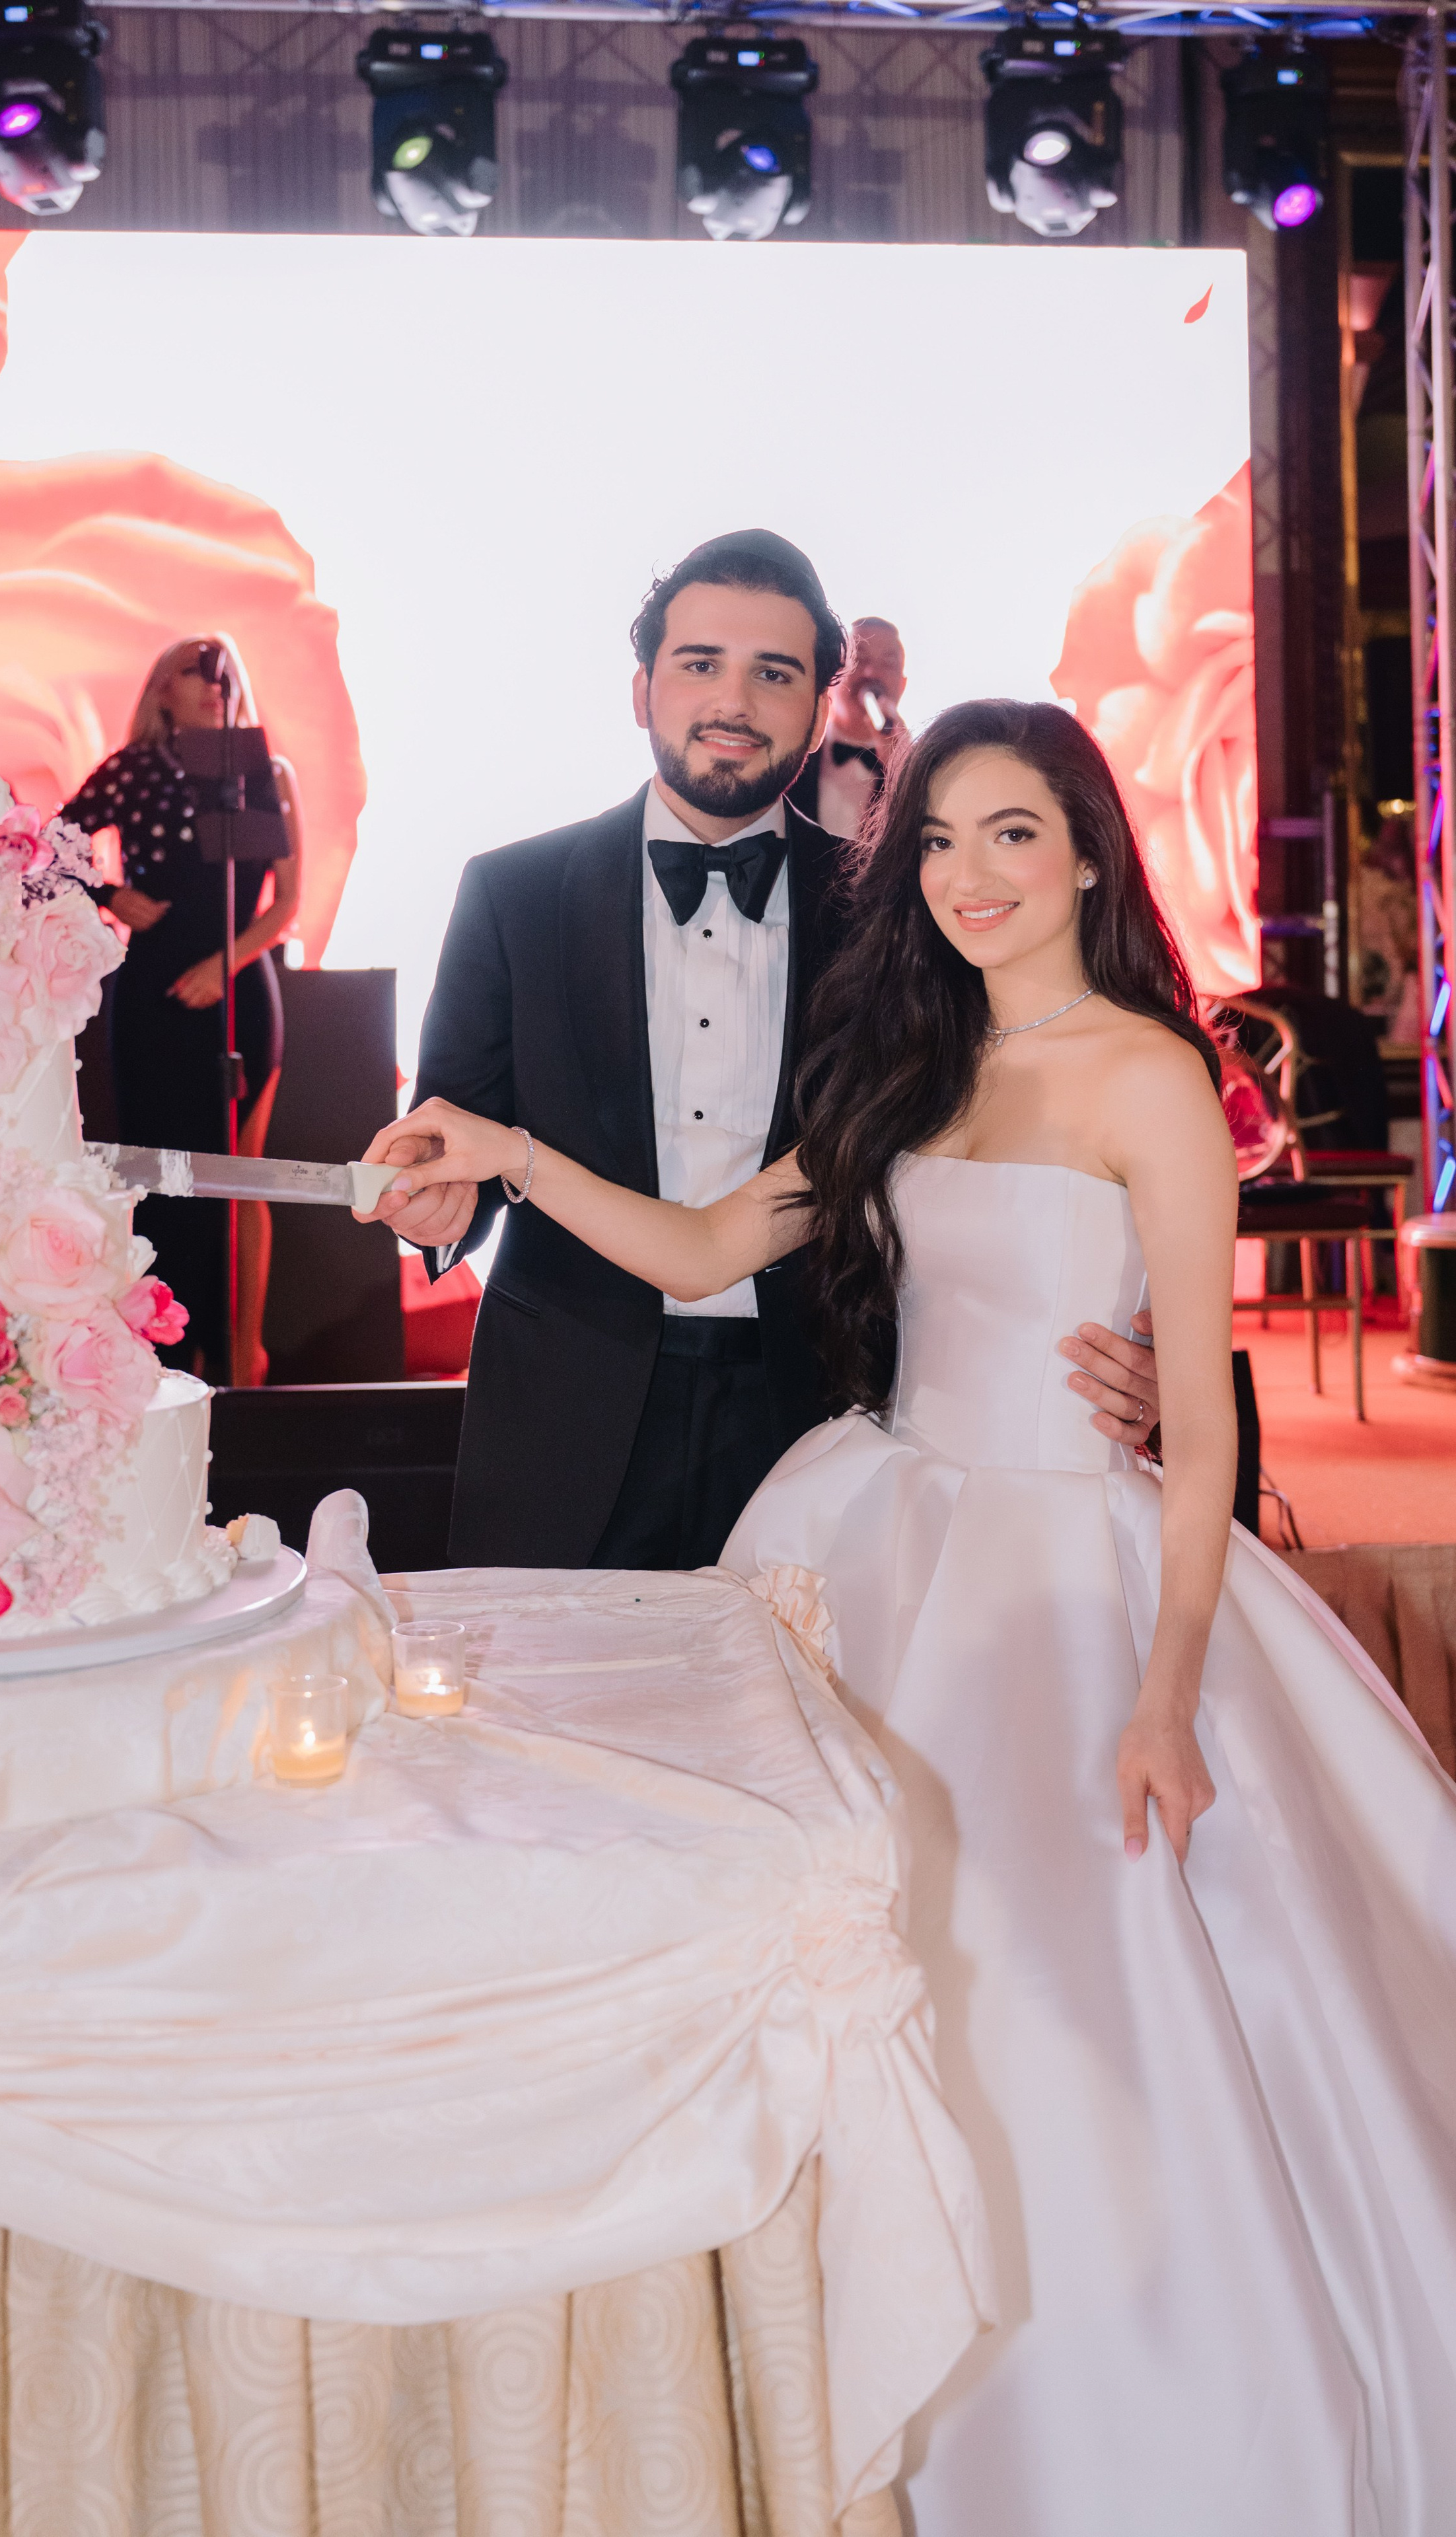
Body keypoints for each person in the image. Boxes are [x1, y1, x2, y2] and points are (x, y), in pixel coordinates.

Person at [363, 698, 1456, 2535]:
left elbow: (1193, 1430)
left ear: (1092, 853)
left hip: (1071, 1583)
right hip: (876, 1532)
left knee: (1053, 1986)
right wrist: (512, 1155)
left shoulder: (1150, 1077)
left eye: (1012, 835)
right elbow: (709, 1252)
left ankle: (1091, 2426)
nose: (968, 876)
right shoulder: (904, 1065)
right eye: (939, 840)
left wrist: (1170, 1690)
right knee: (855, 1967)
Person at [371, 534, 1157, 1568]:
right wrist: (438, 1207)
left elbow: (1027, 1130)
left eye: (774, 673)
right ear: (643, 686)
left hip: (832, 1410)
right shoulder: (512, 896)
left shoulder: (896, 913)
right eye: (700, 664)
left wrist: (1140, 1345)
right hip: (566, 1407)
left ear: (822, 703)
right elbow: (455, 1142)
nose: (733, 701)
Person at [60, 634, 301, 1389]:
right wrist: (106, 895)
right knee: (160, 1178)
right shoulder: (131, 772)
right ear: (162, 689)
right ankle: (157, 1362)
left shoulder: (262, 775)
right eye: (192, 670)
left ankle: (240, 1360)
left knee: (241, 1178)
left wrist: (220, 965)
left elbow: (285, 903)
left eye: (220, 670)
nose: (209, 683)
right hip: (153, 993)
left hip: (234, 989)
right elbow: (46, 846)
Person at [786, 614, 912, 841]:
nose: (871, 673)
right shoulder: (792, 748)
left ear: (903, 686)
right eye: (859, 660)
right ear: (833, 676)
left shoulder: (915, 765)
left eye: (888, 664)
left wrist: (906, 769)